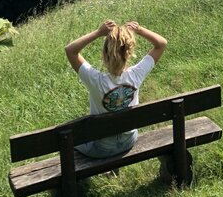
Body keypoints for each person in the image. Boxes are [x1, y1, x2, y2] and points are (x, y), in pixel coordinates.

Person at [64, 19, 167, 157]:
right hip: (129, 141)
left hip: (101, 148)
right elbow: (161, 44)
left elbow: (70, 50)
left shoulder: (95, 80)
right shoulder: (136, 75)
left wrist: (98, 33)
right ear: (129, 52)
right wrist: (139, 30)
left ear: (104, 54)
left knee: (70, 140)